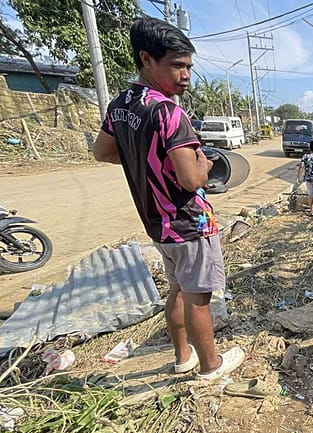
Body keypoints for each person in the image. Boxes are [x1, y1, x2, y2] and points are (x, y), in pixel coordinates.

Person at [91, 17, 244, 380]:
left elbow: (103, 152)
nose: (186, 75)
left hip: (157, 223)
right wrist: (204, 164)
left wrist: (147, 161)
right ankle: (211, 366)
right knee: (199, 298)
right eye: (177, 65)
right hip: (189, 221)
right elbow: (191, 180)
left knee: (177, 287)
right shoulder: (169, 112)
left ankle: (182, 356)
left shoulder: (120, 106)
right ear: (147, 59)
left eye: (189, 66)